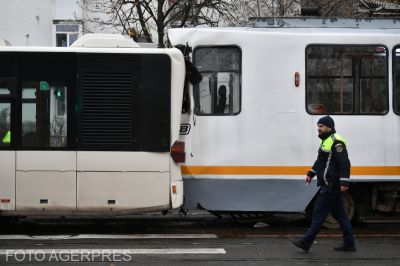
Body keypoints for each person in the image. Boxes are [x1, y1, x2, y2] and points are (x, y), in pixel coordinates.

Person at [291, 115, 356, 252]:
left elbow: (344, 163)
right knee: (341, 215)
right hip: (329, 183)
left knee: (318, 214)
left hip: (331, 184)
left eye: (321, 127)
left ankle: (305, 242)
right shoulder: (325, 141)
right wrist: (311, 173)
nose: (318, 129)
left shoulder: (336, 142)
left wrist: (345, 181)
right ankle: (349, 244)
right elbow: (321, 160)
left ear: (329, 127)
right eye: (318, 127)